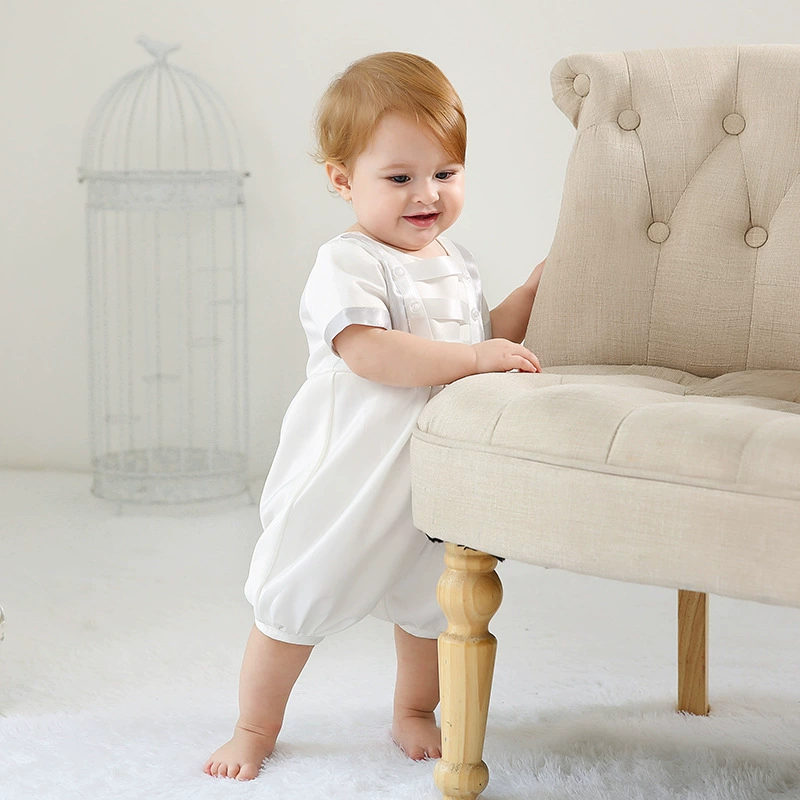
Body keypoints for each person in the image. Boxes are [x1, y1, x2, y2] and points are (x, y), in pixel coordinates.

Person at [204, 50, 545, 781]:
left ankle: (414, 710)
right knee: (296, 600)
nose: (427, 195)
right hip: (350, 478)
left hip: (429, 479)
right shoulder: (349, 261)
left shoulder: (456, 262)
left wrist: (529, 297)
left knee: (432, 607)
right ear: (342, 180)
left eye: (445, 173)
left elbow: (483, 338)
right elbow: (370, 352)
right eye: (399, 178)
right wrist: (477, 357)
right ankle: (254, 726)